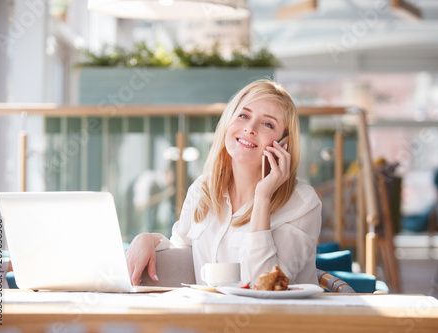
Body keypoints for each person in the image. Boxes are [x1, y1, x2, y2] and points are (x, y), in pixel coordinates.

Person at [126, 79, 322, 286]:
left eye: (267, 124)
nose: (250, 128)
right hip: (208, 316)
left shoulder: (303, 203)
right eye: (244, 115)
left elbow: (265, 287)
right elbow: (183, 252)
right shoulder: (203, 189)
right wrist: (149, 239)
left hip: (275, 317)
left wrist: (262, 198)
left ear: (284, 144)